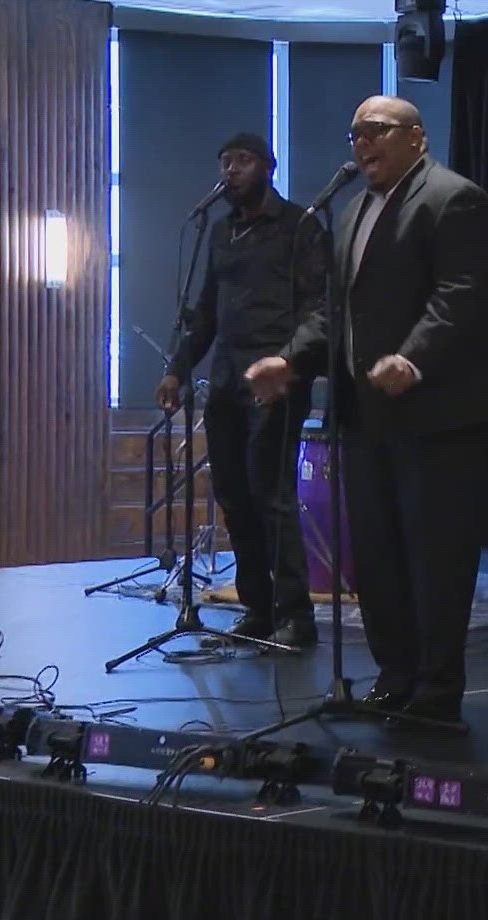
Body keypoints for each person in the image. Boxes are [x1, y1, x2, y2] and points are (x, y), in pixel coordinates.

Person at [246, 96, 488, 730]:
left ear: (416, 138)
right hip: (368, 414)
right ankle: (395, 675)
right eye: (354, 135)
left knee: (436, 556)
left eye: (375, 131)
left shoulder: (455, 198)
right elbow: (331, 309)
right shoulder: (352, 211)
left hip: (445, 417)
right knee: (375, 555)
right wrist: (291, 362)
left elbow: (463, 295)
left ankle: (436, 687)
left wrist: (412, 357)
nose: (361, 144)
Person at [159, 132, 326, 647]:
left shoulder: (299, 226)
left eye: (243, 160)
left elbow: (320, 307)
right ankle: (257, 607)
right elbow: (205, 309)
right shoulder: (221, 231)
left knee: (271, 494)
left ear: (268, 167)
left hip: (275, 379)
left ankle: (297, 615)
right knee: (233, 494)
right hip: (227, 381)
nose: (231, 170)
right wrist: (178, 369)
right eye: (225, 161)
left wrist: (290, 361)